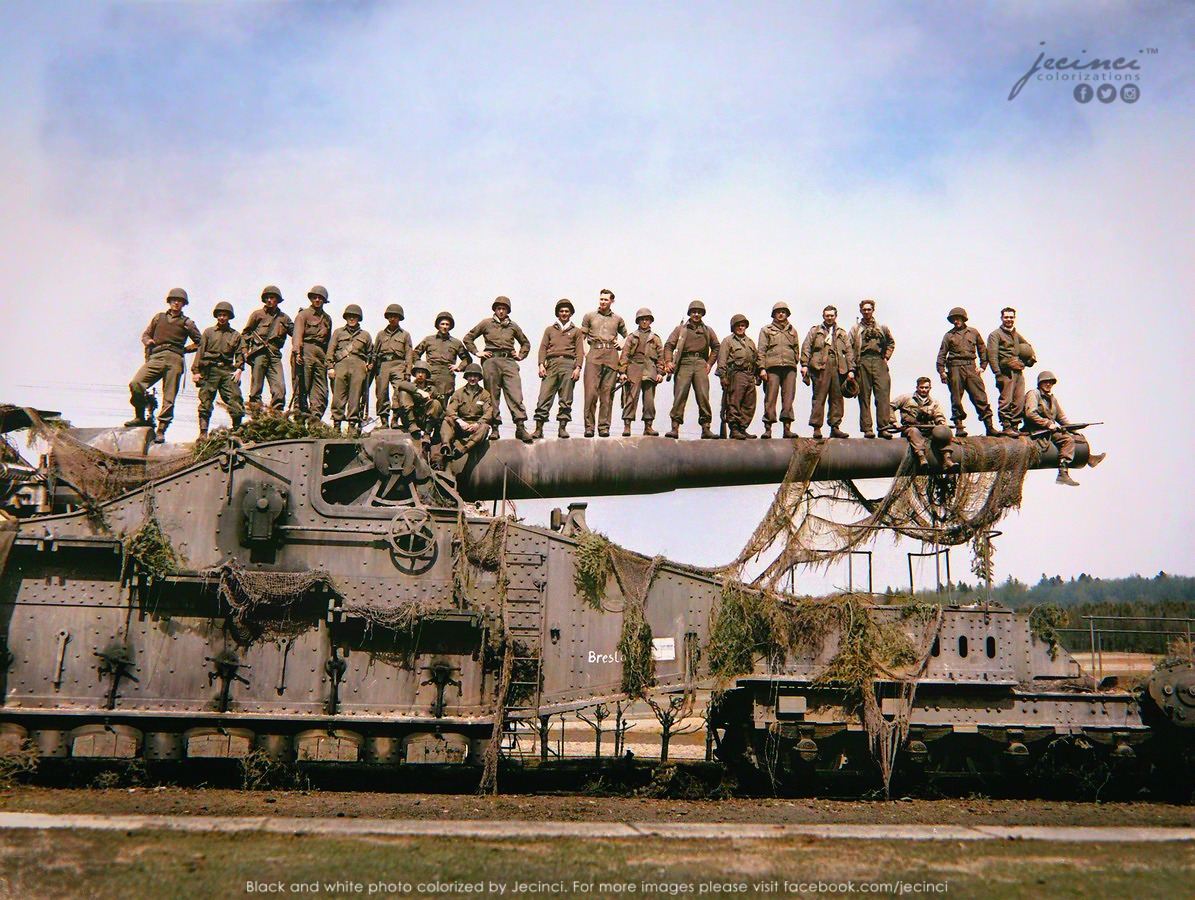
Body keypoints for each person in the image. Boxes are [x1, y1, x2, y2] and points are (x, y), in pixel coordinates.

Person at [127, 287, 201, 443]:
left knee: (169, 397)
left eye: (179, 301)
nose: (176, 303)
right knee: (136, 383)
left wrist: (186, 349)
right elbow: (146, 334)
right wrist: (148, 341)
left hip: (175, 359)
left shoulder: (187, 323)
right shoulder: (158, 318)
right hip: (157, 356)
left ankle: (161, 429)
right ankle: (140, 417)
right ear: (169, 301)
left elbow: (200, 342)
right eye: (173, 300)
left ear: (184, 304)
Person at [463, 297, 533, 443]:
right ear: (495, 310)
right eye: (498, 309)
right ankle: (494, 427)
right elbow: (468, 338)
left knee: (515, 394)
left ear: (508, 311)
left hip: (508, 361)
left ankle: (520, 426)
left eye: (504, 309)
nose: (501, 311)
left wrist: (520, 355)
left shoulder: (513, 326)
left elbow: (525, 343)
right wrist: (477, 352)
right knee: (492, 396)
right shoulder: (486, 323)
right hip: (491, 361)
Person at [1023, 370, 1105, 486]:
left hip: (1049, 430)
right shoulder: (1034, 394)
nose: (1048, 384)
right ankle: (1062, 473)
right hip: (1037, 430)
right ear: (1040, 383)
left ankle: (1089, 459)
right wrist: (1048, 424)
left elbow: (1061, 418)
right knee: (1067, 440)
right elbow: (1030, 413)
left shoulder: (1052, 399)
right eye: (1046, 382)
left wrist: (1074, 430)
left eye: (1051, 382)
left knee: (1076, 437)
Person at [936, 307, 998, 437]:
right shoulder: (949, 335)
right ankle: (959, 427)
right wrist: (942, 371)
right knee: (956, 399)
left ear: (963, 319)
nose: (956, 321)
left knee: (980, 396)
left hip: (971, 367)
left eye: (958, 319)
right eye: (954, 319)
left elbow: (982, 350)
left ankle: (989, 427)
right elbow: (942, 354)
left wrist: (982, 366)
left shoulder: (973, 332)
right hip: (955, 368)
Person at [664, 301, 719, 439]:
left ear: (702, 314)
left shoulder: (707, 330)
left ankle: (706, 428)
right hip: (684, 363)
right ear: (690, 313)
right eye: (694, 312)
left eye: (699, 312)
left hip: (700, 363)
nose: (696, 314)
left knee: (703, 395)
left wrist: (709, 363)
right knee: (680, 394)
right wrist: (668, 362)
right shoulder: (680, 329)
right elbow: (669, 345)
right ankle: (675, 427)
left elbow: (716, 347)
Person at [800, 305, 855, 439]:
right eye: (827, 315)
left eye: (832, 315)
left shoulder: (842, 333)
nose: (829, 318)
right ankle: (817, 428)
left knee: (837, 399)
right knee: (819, 398)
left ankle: (835, 427)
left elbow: (849, 351)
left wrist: (851, 370)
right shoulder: (815, 331)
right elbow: (806, 347)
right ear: (823, 316)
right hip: (820, 368)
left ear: (835, 316)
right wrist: (804, 365)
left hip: (838, 368)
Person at [191, 301, 245, 438]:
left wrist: (239, 369)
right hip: (210, 370)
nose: (221, 318)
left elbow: (240, 353)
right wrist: (196, 371)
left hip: (227, 370)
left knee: (235, 397)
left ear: (229, 317)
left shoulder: (235, 335)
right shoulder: (209, 332)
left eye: (224, 315)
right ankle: (203, 433)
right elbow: (200, 351)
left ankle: (237, 429)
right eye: (219, 315)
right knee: (206, 400)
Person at [533, 298, 584, 440]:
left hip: (568, 365)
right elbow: (543, 348)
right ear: (558, 313)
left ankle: (562, 428)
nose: (564, 313)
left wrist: (578, 368)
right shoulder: (550, 330)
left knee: (566, 398)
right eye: (561, 311)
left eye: (567, 311)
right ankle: (538, 429)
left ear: (571, 313)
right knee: (544, 397)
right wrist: (541, 364)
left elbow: (579, 351)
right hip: (551, 364)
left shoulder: (576, 331)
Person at [580, 288, 627, 437]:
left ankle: (604, 427)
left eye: (606, 299)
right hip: (594, 354)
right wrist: (586, 352)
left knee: (607, 393)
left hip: (611, 356)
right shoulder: (589, 316)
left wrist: (621, 344)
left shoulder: (618, 319)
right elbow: (581, 337)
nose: (603, 302)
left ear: (612, 301)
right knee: (591, 393)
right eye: (601, 299)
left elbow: (627, 335)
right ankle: (589, 427)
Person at [242, 285, 294, 413]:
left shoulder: (284, 318)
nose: (269, 300)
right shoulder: (257, 315)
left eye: (272, 298)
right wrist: (245, 352)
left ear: (277, 300)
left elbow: (296, 332)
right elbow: (245, 334)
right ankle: (255, 415)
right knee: (256, 388)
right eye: (267, 298)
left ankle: (276, 415)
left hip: (274, 355)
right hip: (259, 353)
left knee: (280, 388)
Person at [848, 299, 896, 439]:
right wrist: (852, 367)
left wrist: (886, 357)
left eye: (869, 309)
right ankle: (867, 429)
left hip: (879, 361)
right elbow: (849, 348)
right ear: (861, 311)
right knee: (864, 397)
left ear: (873, 310)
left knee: (882, 396)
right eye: (864, 309)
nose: (867, 312)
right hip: (862, 362)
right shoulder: (856, 329)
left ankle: (883, 428)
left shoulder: (882, 327)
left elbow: (891, 342)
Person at [986, 307, 1036, 437]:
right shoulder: (995, 335)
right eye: (1006, 317)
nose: (1009, 320)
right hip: (1005, 372)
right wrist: (997, 374)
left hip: (1018, 371)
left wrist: (1029, 360)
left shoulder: (1015, 334)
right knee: (1006, 400)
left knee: (1019, 399)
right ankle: (1006, 426)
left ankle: (1015, 426)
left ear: (1014, 318)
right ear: (1002, 318)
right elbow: (992, 356)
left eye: (1011, 317)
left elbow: (1028, 347)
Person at [892, 377, 958, 470]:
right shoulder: (906, 398)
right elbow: (890, 406)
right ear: (917, 387)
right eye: (921, 387)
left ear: (930, 388)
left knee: (942, 432)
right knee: (914, 431)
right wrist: (894, 421)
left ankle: (947, 459)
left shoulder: (934, 402)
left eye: (926, 388)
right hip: (910, 427)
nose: (924, 390)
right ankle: (921, 457)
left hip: (928, 429)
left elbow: (938, 414)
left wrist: (941, 422)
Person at [756, 301, 801, 439]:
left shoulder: (792, 331)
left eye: (783, 312)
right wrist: (762, 368)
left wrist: (794, 361)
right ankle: (768, 428)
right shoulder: (766, 330)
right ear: (774, 314)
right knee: (770, 398)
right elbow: (761, 350)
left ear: (787, 314)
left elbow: (796, 348)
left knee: (788, 398)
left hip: (789, 367)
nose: (781, 314)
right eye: (778, 312)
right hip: (772, 367)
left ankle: (787, 428)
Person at [619, 308, 665, 436]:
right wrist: (622, 372)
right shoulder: (631, 337)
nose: (644, 322)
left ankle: (648, 426)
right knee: (631, 398)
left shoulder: (655, 338)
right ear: (638, 321)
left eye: (647, 319)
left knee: (649, 400)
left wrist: (660, 373)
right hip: (634, 368)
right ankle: (627, 425)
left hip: (650, 369)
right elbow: (625, 355)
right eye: (642, 319)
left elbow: (660, 357)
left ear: (650, 321)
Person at [328, 304, 373, 434]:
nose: (351, 319)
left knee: (355, 395)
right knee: (338, 395)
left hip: (358, 365)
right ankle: (336, 424)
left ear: (359, 318)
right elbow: (331, 351)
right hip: (341, 365)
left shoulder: (365, 335)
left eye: (354, 317)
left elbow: (371, 353)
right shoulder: (338, 333)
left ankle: (352, 424)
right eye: (349, 316)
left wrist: (369, 364)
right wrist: (330, 367)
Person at [717, 314, 761, 440]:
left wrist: (758, 372)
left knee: (749, 403)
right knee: (734, 401)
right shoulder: (728, 341)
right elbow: (722, 359)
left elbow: (756, 358)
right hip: (736, 374)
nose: (741, 328)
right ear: (733, 327)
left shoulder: (750, 342)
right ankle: (734, 428)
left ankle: (742, 428)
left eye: (743, 325)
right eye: (738, 326)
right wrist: (723, 376)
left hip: (750, 374)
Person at [291, 285, 333, 419]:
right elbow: (297, 335)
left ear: (324, 300)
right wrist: (298, 353)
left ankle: (315, 419)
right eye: (314, 298)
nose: (317, 300)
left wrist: (329, 361)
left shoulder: (327, 319)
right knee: (302, 387)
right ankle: (299, 419)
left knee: (321, 390)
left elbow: (328, 341)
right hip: (305, 351)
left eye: (320, 298)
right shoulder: (303, 315)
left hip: (320, 354)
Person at [414, 311, 471, 405]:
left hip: (446, 376)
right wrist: (421, 367)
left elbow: (467, 359)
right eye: (442, 324)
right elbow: (415, 354)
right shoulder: (429, 340)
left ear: (450, 326)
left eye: (447, 324)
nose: (444, 326)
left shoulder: (456, 343)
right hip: (430, 374)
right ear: (438, 325)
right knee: (426, 400)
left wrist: (459, 367)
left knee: (442, 403)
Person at [373, 303, 414, 430]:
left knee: (399, 391)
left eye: (395, 317)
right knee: (381, 392)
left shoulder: (405, 335)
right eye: (390, 316)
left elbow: (409, 354)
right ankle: (384, 419)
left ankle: (395, 418)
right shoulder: (381, 334)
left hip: (398, 364)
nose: (392, 319)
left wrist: (408, 371)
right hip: (383, 364)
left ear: (399, 318)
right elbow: (375, 352)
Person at [440, 362, 494, 459]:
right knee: (447, 420)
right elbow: (450, 409)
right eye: (470, 376)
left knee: (485, 427)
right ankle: (446, 445)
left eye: (475, 376)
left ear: (479, 378)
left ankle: (464, 449)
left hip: (475, 428)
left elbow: (488, 413)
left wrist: (477, 424)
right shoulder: (458, 393)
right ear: (466, 377)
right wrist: (460, 421)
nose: (472, 379)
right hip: (461, 426)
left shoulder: (485, 394)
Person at [393, 360, 443, 441]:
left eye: (423, 373)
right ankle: (412, 425)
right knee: (403, 393)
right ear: (415, 374)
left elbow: (439, 408)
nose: (420, 375)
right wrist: (419, 391)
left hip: (424, 419)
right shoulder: (409, 385)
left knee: (436, 403)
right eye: (418, 372)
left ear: (426, 375)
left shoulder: (432, 389)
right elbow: (401, 385)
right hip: (410, 419)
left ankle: (427, 434)